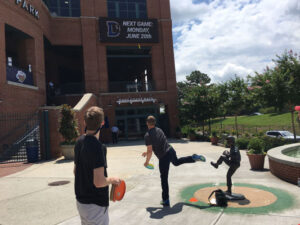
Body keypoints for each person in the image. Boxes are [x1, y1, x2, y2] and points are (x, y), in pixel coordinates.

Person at [142, 115, 205, 207]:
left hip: (164, 156)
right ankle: (193, 158)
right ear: (154, 123)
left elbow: (150, 150)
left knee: (164, 178)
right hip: (170, 150)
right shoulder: (159, 130)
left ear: (147, 123)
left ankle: (165, 200)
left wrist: (146, 162)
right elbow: (154, 145)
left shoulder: (147, 135)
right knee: (176, 162)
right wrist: (147, 152)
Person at [74, 106, 121, 225]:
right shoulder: (98, 147)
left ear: (85, 122)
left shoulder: (79, 142)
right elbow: (99, 182)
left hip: (81, 202)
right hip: (95, 204)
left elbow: (76, 171)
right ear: (102, 123)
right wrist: (113, 179)